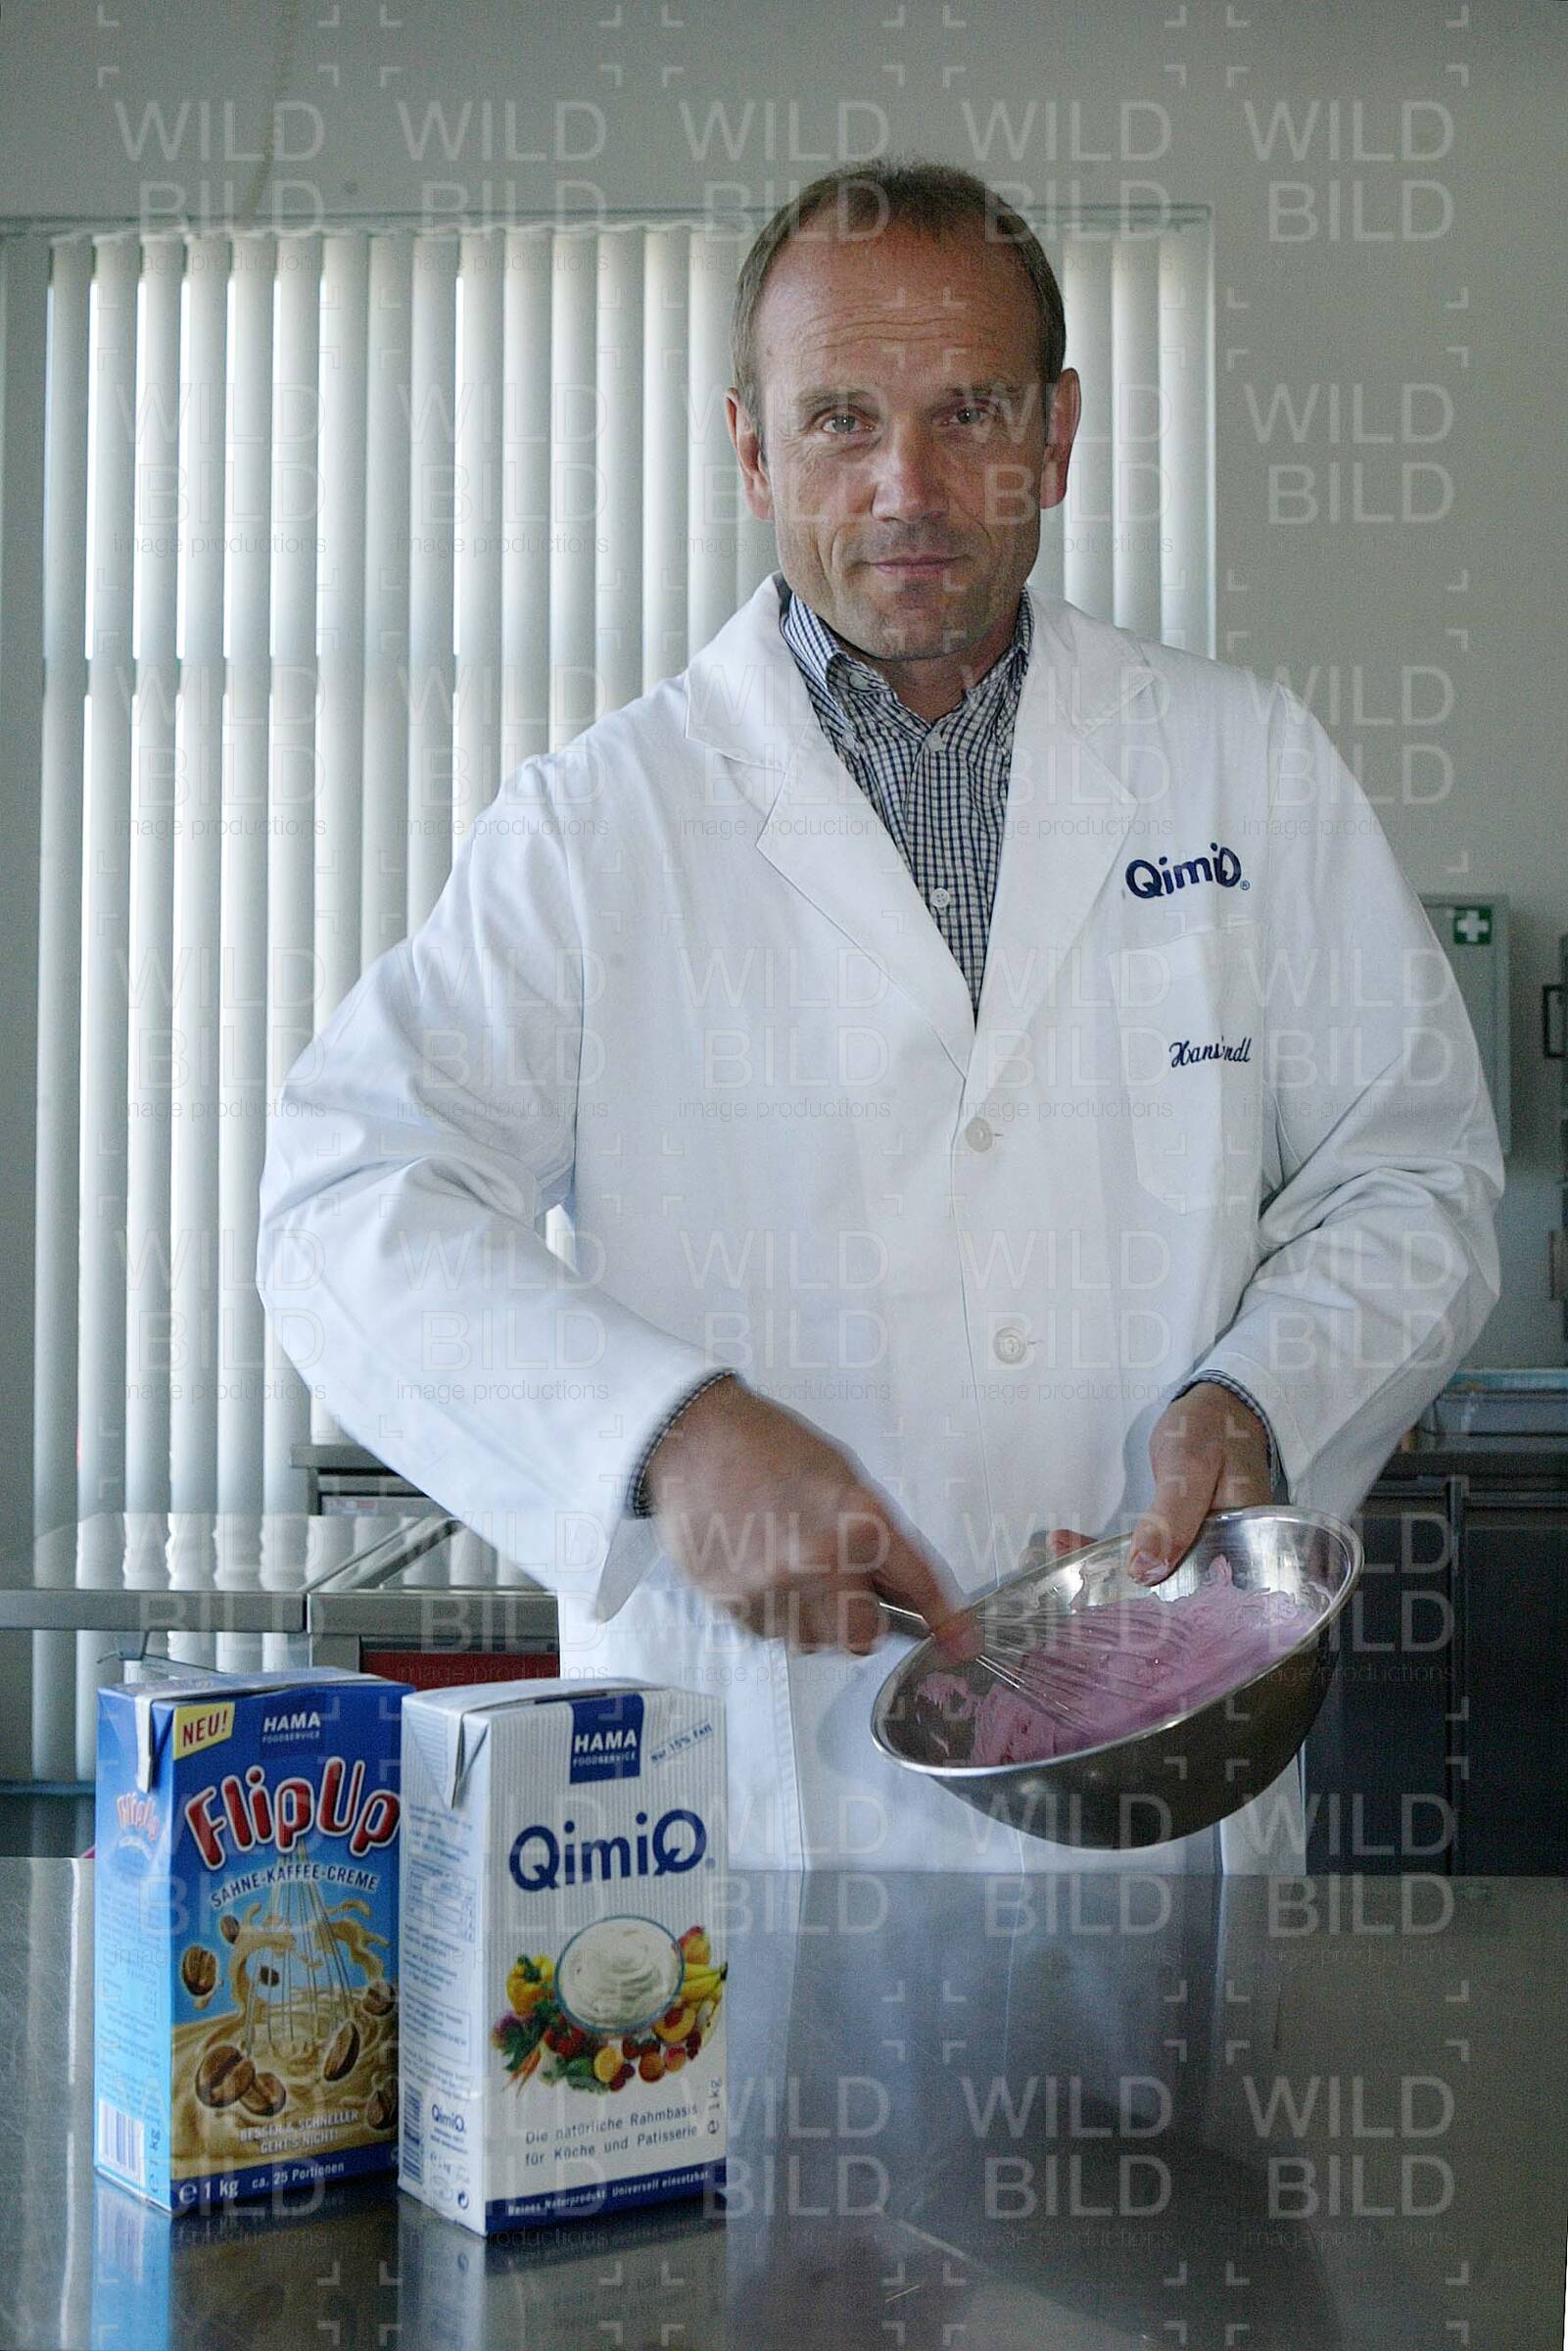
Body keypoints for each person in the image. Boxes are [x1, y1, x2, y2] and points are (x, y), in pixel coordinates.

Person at [258, 159, 1502, 1872]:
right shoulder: (598, 824)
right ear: (751, 451)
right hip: (746, 1819)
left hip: (1163, 1787)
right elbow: (346, 1202)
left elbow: (1412, 1179)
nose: (906, 486)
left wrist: (1263, 1398)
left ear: (1054, 436)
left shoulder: (1242, 765)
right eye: (839, 419)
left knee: (1184, 2068)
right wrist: (668, 1439)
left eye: (967, 413)